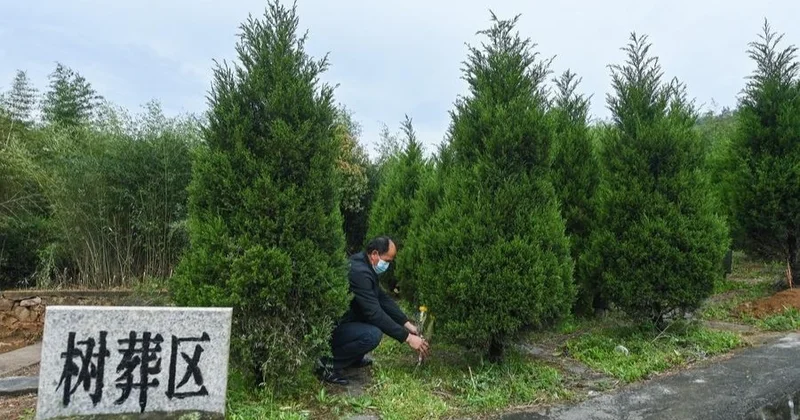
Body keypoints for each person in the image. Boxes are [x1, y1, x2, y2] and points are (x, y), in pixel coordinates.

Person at [316, 236, 429, 385]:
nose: (388, 265)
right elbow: (374, 314)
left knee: (370, 325)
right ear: (375, 254)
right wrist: (407, 338)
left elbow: (382, 298)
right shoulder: (359, 273)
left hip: (346, 321)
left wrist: (406, 323)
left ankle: (353, 359)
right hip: (333, 328)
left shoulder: (365, 264)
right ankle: (327, 365)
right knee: (372, 334)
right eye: (387, 261)